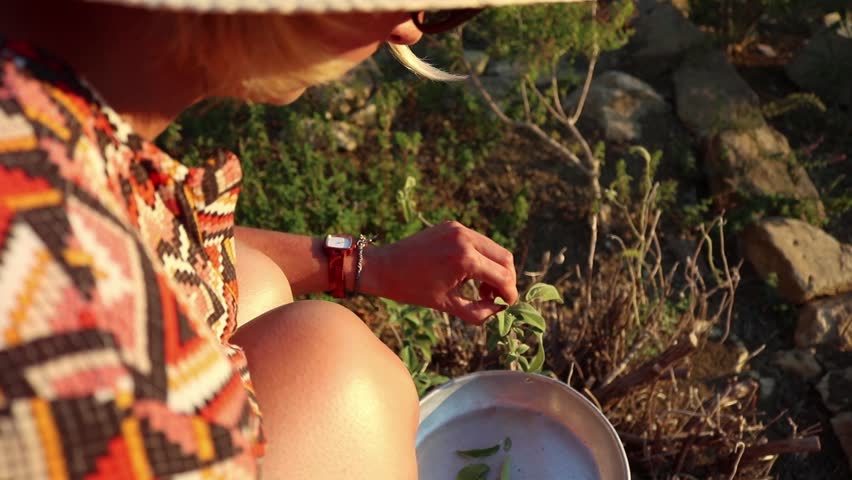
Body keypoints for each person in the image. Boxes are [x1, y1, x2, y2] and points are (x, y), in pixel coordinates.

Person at [0, 0, 566, 478]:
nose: (408, 29)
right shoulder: (93, 342)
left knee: (264, 287)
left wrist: (366, 265)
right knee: (347, 384)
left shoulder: (46, 133)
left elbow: (168, 243)